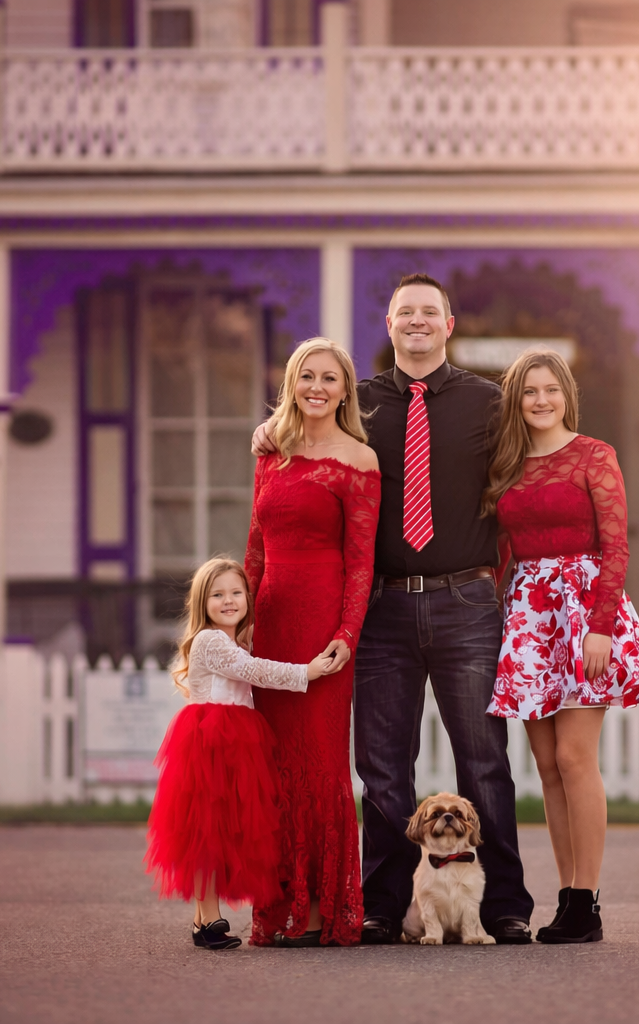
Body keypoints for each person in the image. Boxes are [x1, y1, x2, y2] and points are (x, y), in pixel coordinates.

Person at [253, 274, 535, 945]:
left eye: (428, 313)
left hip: (466, 601)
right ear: (388, 324)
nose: (417, 322)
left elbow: (520, 490)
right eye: (405, 312)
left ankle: (500, 907)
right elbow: (306, 438)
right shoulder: (362, 407)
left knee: (484, 760)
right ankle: (379, 904)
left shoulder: (489, 404)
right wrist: (271, 430)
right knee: (382, 764)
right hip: (380, 607)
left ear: (448, 324)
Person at [483, 349, 639, 944]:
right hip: (529, 616)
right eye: (529, 391)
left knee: (576, 758)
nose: (540, 400)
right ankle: (567, 899)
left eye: (550, 390)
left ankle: (588, 900)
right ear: (517, 400)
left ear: (566, 395)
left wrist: (602, 625)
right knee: (548, 768)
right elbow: (502, 551)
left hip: (584, 612)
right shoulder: (504, 466)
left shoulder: (593, 455)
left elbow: (617, 546)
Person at [245, 337, 381, 947]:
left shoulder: (360, 461)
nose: (317, 387)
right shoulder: (270, 452)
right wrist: (238, 620)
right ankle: (278, 910)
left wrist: (346, 637)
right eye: (307, 376)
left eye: (330, 378)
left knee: (322, 762)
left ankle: (324, 910)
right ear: (292, 384)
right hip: (269, 621)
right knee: (274, 764)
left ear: (346, 389)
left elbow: (361, 563)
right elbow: (254, 543)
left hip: (323, 624)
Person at [145, 557, 342, 950]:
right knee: (208, 830)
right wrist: (308, 672)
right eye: (218, 595)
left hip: (237, 742)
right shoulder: (210, 641)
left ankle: (203, 920)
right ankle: (209, 914)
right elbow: (254, 671)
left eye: (236, 593)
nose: (229, 601)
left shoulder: (234, 639)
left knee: (223, 830)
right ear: (203, 602)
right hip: (211, 743)